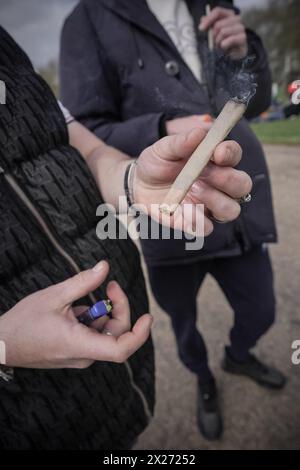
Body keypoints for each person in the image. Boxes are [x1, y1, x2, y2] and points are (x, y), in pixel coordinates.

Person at [0, 25, 250, 450]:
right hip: (27, 416)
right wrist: (5, 346)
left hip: (117, 325)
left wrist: (132, 178)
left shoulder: (6, 48)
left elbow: (86, 150)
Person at [60, 0, 286, 441]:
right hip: (167, 219)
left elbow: (255, 101)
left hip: (235, 207)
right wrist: (162, 127)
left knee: (261, 309)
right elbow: (84, 132)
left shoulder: (214, 5)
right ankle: (202, 377)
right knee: (182, 319)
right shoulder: (87, 20)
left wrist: (243, 57)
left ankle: (238, 355)